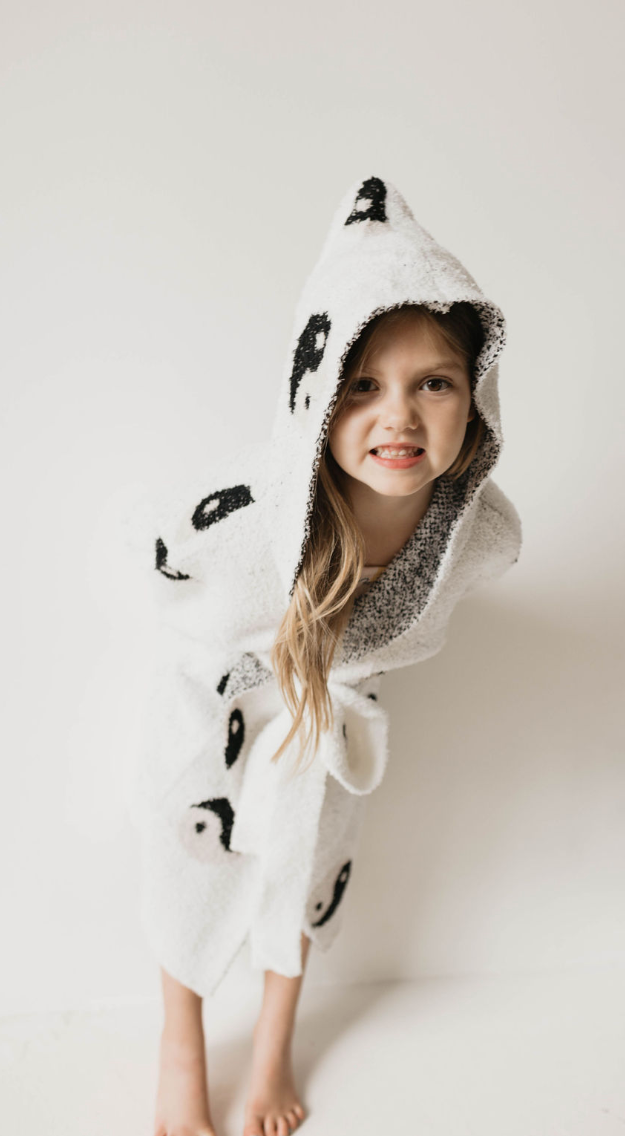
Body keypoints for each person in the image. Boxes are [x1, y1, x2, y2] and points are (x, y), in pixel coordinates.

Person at [127, 174, 522, 1136]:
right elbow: (172, 564)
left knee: (303, 875)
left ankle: (271, 1054)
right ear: (314, 394)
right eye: (362, 385)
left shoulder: (475, 529)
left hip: (333, 727)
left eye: (435, 382)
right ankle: (180, 1050)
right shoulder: (257, 510)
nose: (401, 415)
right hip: (223, 710)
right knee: (197, 866)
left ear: (476, 398)